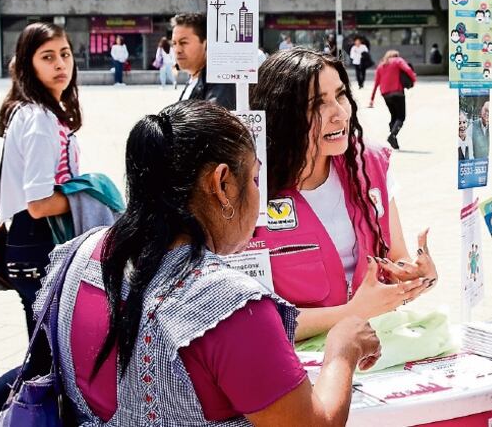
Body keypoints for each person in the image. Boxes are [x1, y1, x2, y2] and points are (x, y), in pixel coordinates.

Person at [40, 100, 381, 425]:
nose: (258, 194)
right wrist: (343, 349)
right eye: (254, 179)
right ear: (222, 184)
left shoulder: (80, 253)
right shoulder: (231, 306)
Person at [0, 22, 84, 427]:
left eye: (65, 54)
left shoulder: (38, 112)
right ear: (28, 64)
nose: (60, 64)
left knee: (49, 357)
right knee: (48, 359)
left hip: (30, 245)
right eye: (47, 57)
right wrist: (93, 194)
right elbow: (38, 203)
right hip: (38, 244)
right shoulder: (39, 119)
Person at [249, 49, 437, 341]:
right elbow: (247, 319)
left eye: (340, 95)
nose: (339, 113)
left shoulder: (369, 164)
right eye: (317, 104)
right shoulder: (248, 189)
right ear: (280, 115)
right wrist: (351, 312)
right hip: (290, 359)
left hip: (372, 346)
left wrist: (412, 276)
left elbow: (396, 257)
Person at [171, 13, 235, 109]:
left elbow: (213, 116)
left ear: (206, 44)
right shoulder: (193, 79)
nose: (177, 50)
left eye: (183, 42)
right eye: (174, 43)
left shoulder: (220, 82)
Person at [369, 50, 416, 150]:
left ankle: (393, 137)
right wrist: (413, 79)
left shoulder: (381, 65)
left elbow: (376, 83)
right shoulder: (398, 60)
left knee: (394, 116)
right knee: (401, 117)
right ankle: (392, 135)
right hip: (397, 92)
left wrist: (372, 99)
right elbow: (408, 69)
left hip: (385, 94)